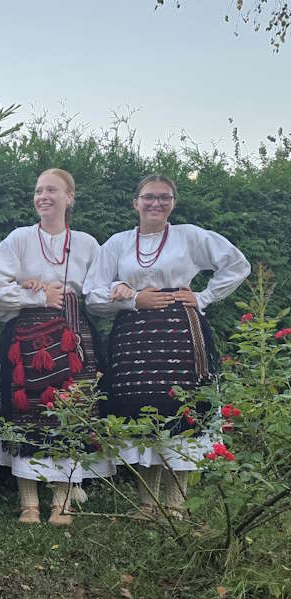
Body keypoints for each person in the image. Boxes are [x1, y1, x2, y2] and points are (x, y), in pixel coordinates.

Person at [84, 174, 249, 516]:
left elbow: (236, 264)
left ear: (173, 203)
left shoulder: (188, 236)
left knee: (182, 408)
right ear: (136, 202)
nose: (156, 203)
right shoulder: (117, 243)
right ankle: (148, 504)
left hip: (180, 333)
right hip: (134, 338)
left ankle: (174, 505)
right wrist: (131, 299)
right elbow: (92, 295)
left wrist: (203, 296)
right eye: (149, 197)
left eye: (164, 197)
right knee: (141, 409)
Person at [0, 168, 108, 525]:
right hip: (26, 340)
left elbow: (98, 292)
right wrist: (34, 292)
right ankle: (29, 503)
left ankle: (63, 501)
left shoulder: (86, 243)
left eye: (52, 190)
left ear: (69, 197)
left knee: (72, 416)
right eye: (38, 190)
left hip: (73, 336)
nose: (43, 196)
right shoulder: (19, 239)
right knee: (27, 416)